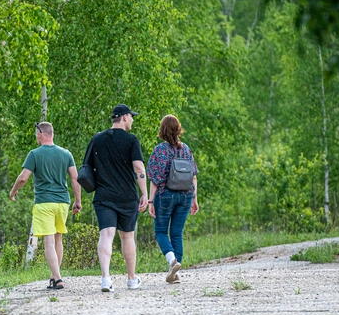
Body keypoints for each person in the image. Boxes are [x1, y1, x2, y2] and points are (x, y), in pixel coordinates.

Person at [83, 104, 148, 292]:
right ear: (124, 117)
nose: (132, 120)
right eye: (131, 116)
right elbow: (139, 168)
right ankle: (131, 279)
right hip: (127, 196)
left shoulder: (97, 139)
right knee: (127, 236)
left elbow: (86, 168)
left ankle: (105, 279)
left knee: (106, 235)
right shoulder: (131, 140)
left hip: (104, 196)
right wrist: (144, 193)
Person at [10, 121, 82, 290]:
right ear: (52, 134)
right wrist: (77, 201)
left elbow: (23, 178)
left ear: (40, 135)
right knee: (58, 239)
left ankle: (57, 279)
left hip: (44, 202)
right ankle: (53, 277)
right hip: (62, 202)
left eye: (36, 134)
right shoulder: (66, 154)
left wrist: (13, 191)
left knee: (48, 241)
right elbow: (75, 177)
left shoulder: (34, 154)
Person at [146, 115, 199, 284]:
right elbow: (194, 176)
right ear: (178, 129)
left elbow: (155, 178)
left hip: (165, 195)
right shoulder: (186, 149)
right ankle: (175, 274)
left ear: (162, 130)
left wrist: (150, 201)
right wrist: (195, 199)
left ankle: (172, 261)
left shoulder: (160, 150)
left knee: (161, 232)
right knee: (177, 233)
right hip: (186, 195)